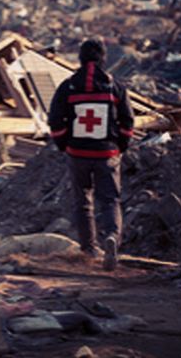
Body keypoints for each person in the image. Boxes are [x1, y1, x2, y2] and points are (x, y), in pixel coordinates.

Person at [48, 38, 134, 270]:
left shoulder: (68, 86)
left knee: (83, 201)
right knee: (109, 200)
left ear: (80, 58)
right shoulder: (115, 87)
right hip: (107, 154)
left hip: (78, 154)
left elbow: (55, 120)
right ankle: (112, 238)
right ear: (103, 58)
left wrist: (63, 144)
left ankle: (88, 248)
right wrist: (121, 146)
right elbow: (128, 121)